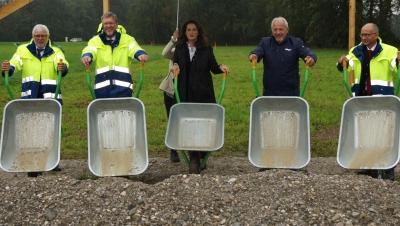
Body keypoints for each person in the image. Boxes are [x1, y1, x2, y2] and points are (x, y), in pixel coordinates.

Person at [1, 24, 69, 177]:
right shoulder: (23, 50)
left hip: (51, 97)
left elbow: (63, 64)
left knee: (51, 129)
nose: (40, 38)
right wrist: (8, 68)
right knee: (31, 130)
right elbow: (15, 62)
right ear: (33, 36)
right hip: (30, 97)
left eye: (43, 35)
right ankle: (32, 163)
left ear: (48, 36)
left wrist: (62, 67)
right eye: (37, 35)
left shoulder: (56, 51)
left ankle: (52, 160)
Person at [337, 23, 400, 180]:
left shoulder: (389, 50)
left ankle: (387, 169)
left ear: (376, 35)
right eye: (362, 35)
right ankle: (368, 166)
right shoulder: (355, 50)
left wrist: (398, 60)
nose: (364, 38)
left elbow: (395, 67)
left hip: (382, 98)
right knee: (365, 133)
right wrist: (342, 61)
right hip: (361, 98)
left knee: (383, 134)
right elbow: (348, 66)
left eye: (368, 35)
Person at [170, 20, 229, 174]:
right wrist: (175, 66)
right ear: (185, 32)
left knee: (202, 123)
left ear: (198, 32)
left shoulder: (206, 48)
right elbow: (176, 63)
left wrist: (221, 68)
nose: (191, 32)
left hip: (203, 92)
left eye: (194, 29)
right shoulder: (180, 48)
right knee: (189, 124)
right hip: (185, 92)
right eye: (188, 29)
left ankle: (201, 153)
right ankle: (194, 156)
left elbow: (213, 67)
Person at [81, 11, 149, 98]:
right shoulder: (95, 41)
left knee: (123, 111)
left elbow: (134, 48)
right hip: (102, 90)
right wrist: (87, 56)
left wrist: (141, 54)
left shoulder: (127, 39)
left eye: (111, 23)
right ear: (102, 25)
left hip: (124, 89)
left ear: (116, 25)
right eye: (105, 23)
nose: (108, 26)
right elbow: (90, 49)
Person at [249, 16, 317, 96]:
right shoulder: (265, 42)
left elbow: (307, 52)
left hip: (291, 93)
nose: (278, 32)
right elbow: (258, 50)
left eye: (281, 29)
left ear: (287, 30)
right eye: (275, 29)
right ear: (272, 31)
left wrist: (311, 58)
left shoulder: (295, 43)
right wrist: (254, 55)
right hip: (270, 93)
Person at [160, 29, 180, 163]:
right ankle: (173, 150)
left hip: (186, 90)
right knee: (172, 119)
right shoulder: (175, 52)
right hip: (171, 89)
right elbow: (165, 53)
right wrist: (173, 40)